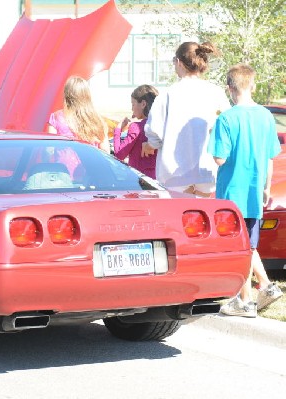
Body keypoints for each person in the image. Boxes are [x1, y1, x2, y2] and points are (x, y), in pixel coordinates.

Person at [208, 64, 283, 318]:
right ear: (252, 85)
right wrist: (265, 187)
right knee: (248, 245)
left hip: (231, 192)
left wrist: (211, 134)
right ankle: (264, 286)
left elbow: (219, 158)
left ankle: (246, 300)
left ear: (230, 89)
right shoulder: (265, 116)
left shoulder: (225, 119)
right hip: (254, 190)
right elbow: (271, 156)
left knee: (239, 247)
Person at [142, 41, 231, 196]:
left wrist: (150, 145)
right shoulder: (216, 93)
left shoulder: (168, 94)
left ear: (178, 62)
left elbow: (155, 132)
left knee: (179, 216)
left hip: (174, 172)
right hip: (207, 168)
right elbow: (227, 128)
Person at [47, 75, 111, 154]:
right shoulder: (97, 120)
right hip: (90, 165)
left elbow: (49, 150)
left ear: (66, 95)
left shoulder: (56, 118)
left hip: (63, 165)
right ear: (87, 95)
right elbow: (106, 152)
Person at [113, 84, 159, 178]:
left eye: (133, 104)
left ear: (143, 104)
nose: (132, 108)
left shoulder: (136, 127)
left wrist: (118, 129)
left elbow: (119, 154)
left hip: (139, 181)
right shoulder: (161, 126)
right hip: (158, 179)